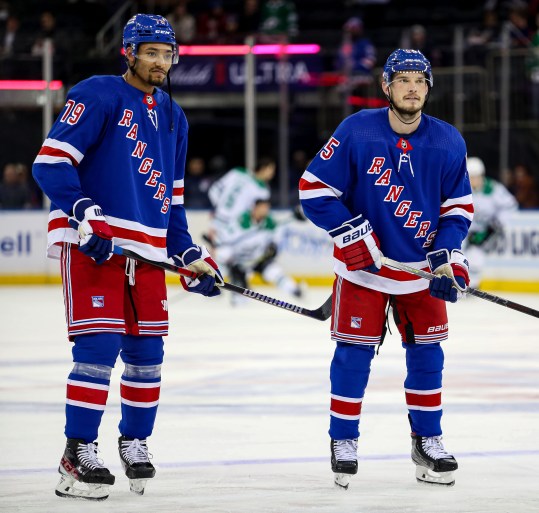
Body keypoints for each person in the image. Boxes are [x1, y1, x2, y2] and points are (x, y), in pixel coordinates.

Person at [32, 14, 223, 501]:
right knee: (97, 351)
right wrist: (85, 214)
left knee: (147, 357)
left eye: (167, 53)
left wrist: (188, 253)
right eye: (151, 52)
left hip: (148, 255)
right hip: (95, 246)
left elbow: (172, 204)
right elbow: (51, 164)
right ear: (129, 52)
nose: (161, 62)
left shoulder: (174, 117)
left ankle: (135, 442)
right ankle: (77, 453)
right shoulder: (98, 94)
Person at [299, 49, 474, 489]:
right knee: (353, 356)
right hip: (364, 273)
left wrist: (448, 254)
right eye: (403, 80)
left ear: (429, 87)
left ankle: (427, 440)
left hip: (421, 274)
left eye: (420, 80)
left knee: (428, 357)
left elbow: (457, 210)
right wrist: (348, 230)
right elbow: (313, 189)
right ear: (386, 86)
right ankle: (343, 440)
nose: (412, 87)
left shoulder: (449, 140)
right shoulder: (357, 131)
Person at [207, 158, 302, 298]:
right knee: (223, 256)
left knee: (223, 256)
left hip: (218, 221)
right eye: (272, 169)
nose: (272, 173)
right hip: (235, 226)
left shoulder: (237, 172)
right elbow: (255, 215)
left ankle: (221, 287)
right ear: (264, 167)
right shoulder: (262, 190)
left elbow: (214, 190)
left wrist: (218, 211)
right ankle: (223, 285)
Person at [464, 157, 518, 288]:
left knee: (476, 258)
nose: (473, 180)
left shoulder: (493, 189)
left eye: (476, 176)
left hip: (484, 231)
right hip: (463, 230)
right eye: (471, 177)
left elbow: (510, 206)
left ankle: (472, 286)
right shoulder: (460, 188)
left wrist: (493, 227)